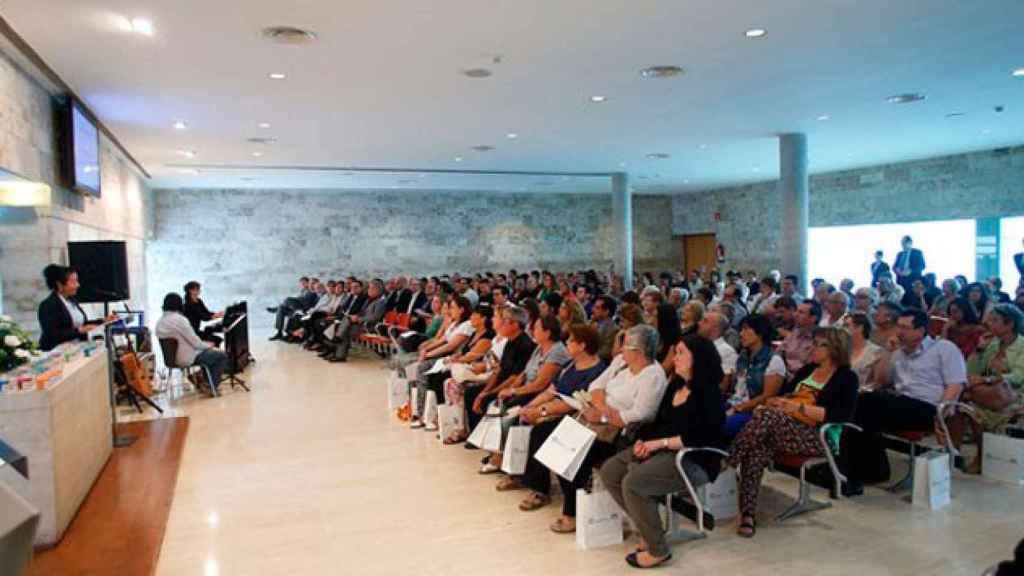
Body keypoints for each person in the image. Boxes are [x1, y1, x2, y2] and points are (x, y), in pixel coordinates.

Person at [598, 335, 725, 568]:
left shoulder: (709, 394)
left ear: (698, 358)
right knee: (611, 471)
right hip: (664, 450)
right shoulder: (676, 385)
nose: (674, 358)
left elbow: (699, 437)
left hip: (694, 458)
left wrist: (658, 444)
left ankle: (658, 549)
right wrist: (644, 441)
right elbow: (659, 423)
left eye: (680, 353)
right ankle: (650, 528)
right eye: (675, 352)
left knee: (633, 482)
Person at [727, 326, 858, 537]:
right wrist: (778, 402)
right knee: (757, 448)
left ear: (835, 349)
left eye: (819, 345)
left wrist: (796, 408)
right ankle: (748, 514)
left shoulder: (846, 377)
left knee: (765, 418)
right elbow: (787, 394)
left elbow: (839, 416)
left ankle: (728, 463)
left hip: (817, 435)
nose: (812, 348)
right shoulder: (807, 371)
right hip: (784, 426)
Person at [547, 325, 668, 535]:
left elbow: (639, 415)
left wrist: (603, 415)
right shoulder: (621, 363)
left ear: (638, 351)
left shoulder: (653, 376)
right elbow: (596, 386)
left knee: (577, 454)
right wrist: (603, 410)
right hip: (598, 421)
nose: (620, 351)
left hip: (622, 435)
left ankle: (572, 513)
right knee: (559, 444)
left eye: (625, 347)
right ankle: (571, 504)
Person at [844, 309, 966, 492]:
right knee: (858, 408)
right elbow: (882, 380)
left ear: (921, 330)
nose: (899, 332)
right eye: (898, 326)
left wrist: (941, 413)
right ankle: (859, 468)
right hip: (899, 404)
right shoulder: (898, 353)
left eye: (905, 328)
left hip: (928, 407)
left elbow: (955, 384)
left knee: (865, 404)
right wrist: (887, 352)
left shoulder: (944, 349)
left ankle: (872, 469)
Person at [515, 324, 607, 510]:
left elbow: (572, 404)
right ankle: (525, 478)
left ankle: (540, 489)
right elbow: (552, 391)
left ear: (582, 345)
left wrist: (541, 412)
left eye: (571, 340)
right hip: (557, 409)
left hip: (578, 417)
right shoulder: (570, 365)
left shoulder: (597, 371)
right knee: (527, 422)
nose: (566, 343)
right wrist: (530, 406)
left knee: (541, 432)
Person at [953, 305, 1024, 473]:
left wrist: (988, 379)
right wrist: (978, 349)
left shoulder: (1022, 346)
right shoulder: (992, 344)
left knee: (966, 399)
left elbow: (1018, 377)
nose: (988, 323)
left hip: (1013, 394)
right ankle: (955, 451)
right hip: (989, 392)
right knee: (962, 406)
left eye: (995, 320)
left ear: (1009, 324)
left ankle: (979, 454)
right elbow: (971, 371)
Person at [155, 292, 229, 396]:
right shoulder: (180, 320)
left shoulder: (160, 322)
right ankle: (210, 386)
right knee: (221, 356)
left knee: (207, 353)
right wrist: (209, 345)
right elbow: (196, 343)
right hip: (186, 358)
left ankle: (204, 382)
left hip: (170, 360)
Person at [725, 314, 786, 438]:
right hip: (735, 401)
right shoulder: (743, 356)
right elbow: (737, 386)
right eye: (741, 330)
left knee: (725, 424)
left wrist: (738, 408)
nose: (741, 334)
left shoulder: (773, 360)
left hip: (754, 409)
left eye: (746, 329)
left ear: (760, 333)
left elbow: (768, 396)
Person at [37, 264, 107, 351]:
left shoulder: (72, 301)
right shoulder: (48, 305)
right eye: (73, 282)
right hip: (56, 350)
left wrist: (102, 321)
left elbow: (80, 324)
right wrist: (79, 331)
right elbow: (52, 333)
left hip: (76, 347)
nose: (78, 285)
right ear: (60, 285)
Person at [323, 279, 387, 362]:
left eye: (370, 288)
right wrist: (356, 316)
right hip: (359, 324)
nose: (368, 290)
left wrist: (359, 319)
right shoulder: (369, 300)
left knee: (344, 329)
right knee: (345, 326)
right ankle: (338, 352)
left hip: (368, 326)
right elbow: (362, 312)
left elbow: (375, 317)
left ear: (377, 289)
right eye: (369, 288)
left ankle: (338, 349)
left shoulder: (380, 302)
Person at [845, 312, 889, 392]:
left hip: (862, 396)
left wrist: (862, 390)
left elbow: (878, 383)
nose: (842, 329)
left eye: (847, 325)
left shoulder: (876, 351)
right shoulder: (842, 348)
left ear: (860, 328)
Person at [779, 300, 821, 375]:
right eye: (796, 311)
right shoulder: (795, 332)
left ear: (813, 318)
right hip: (783, 373)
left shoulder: (819, 339)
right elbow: (779, 352)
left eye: (801, 312)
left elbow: (809, 368)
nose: (795, 315)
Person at [181, 281, 225, 346]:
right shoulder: (188, 305)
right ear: (191, 291)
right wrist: (217, 316)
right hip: (191, 333)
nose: (199, 291)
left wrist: (218, 314)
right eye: (197, 289)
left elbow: (207, 312)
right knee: (216, 339)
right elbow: (204, 317)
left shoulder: (198, 301)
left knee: (218, 339)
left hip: (196, 331)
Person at [591, 295, 619, 363]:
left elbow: (605, 353)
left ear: (606, 311)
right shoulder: (593, 323)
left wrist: (587, 356)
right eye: (594, 307)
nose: (593, 310)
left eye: (597, 308)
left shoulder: (613, 329)